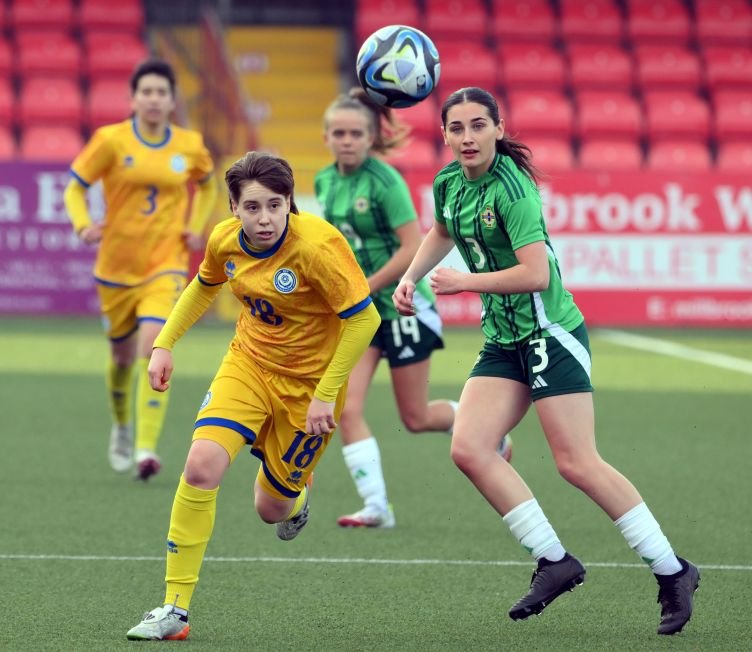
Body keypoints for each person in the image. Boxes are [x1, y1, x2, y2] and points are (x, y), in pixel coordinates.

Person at [392, 87, 699, 635]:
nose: (467, 137)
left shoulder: (514, 190)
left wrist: (465, 282)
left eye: (478, 125)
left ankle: (673, 571)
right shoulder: (448, 183)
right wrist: (411, 276)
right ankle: (554, 560)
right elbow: (442, 230)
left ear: (498, 128)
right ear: (443, 134)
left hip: (550, 334)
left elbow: (536, 274)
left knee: (577, 463)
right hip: (504, 340)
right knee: (468, 447)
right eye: (457, 127)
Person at [125, 151, 380, 641]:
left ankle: (297, 494)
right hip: (249, 364)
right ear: (234, 209)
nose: (265, 218)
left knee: (271, 509)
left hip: (310, 392)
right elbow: (203, 286)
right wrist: (163, 344)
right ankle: (174, 610)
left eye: (275, 206)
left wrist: (327, 395)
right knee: (201, 464)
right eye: (253, 207)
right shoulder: (225, 240)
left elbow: (364, 319)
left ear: (290, 204)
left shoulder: (319, 247)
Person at [315, 88, 513, 529]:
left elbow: (412, 248)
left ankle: (485, 429)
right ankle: (377, 506)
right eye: (338, 133)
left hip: (402, 308)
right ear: (326, 137)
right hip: (362, 314)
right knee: (345, 408)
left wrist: (366, 286)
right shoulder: (324, 180)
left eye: (355, 133)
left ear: (371, 137)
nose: (346, 140)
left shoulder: (386, 183)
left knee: (416, 416)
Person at [64, 59, 218, 480]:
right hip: (114, 268)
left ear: (172, 101)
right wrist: (82, 225)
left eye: (161, 92)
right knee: (120, 358)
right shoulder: (111, 141)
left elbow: (208, 183)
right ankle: (122, 427)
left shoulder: (188, 145)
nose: (153, 99)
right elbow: (75, 186)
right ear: (133, 99)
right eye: (145, 92)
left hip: (164, 265)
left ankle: (146, 450)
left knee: (154, 346)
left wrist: (194, 226)